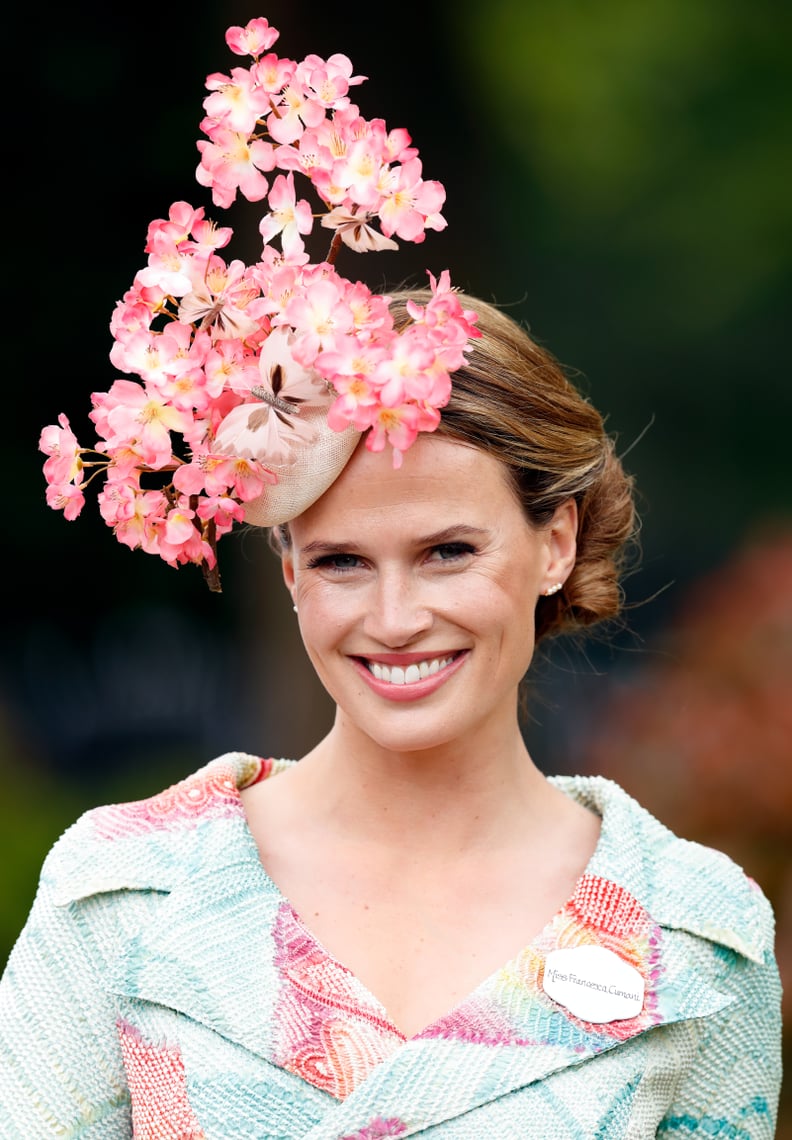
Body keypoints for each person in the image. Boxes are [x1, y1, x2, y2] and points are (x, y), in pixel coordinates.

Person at [1, 17, 781, 1139]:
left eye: (449, 552)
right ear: (286, 569)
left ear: (554, 541)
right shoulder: (125, 895)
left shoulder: (694, 939)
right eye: (342, 563)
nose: (396, 617)